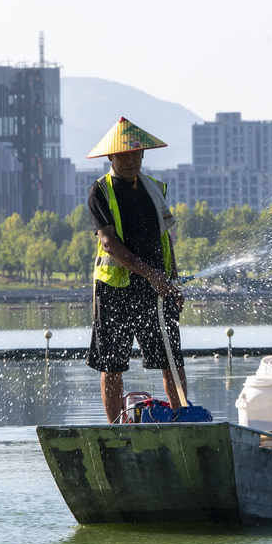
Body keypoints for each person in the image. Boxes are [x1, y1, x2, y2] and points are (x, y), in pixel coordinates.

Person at [84, 117, 188, 423]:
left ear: (142, 155)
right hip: (115, 288)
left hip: (156, 286)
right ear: (111, 157)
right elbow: (109, 243)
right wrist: (150, 274)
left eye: (135, 155)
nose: (130, 161)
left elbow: (165, 237)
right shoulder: (99, 191)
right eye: (123, 156)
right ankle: (115, 428)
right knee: (112, 363)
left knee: (171, 358)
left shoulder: (154, 188)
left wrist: (172, 280)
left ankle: (183, 418)